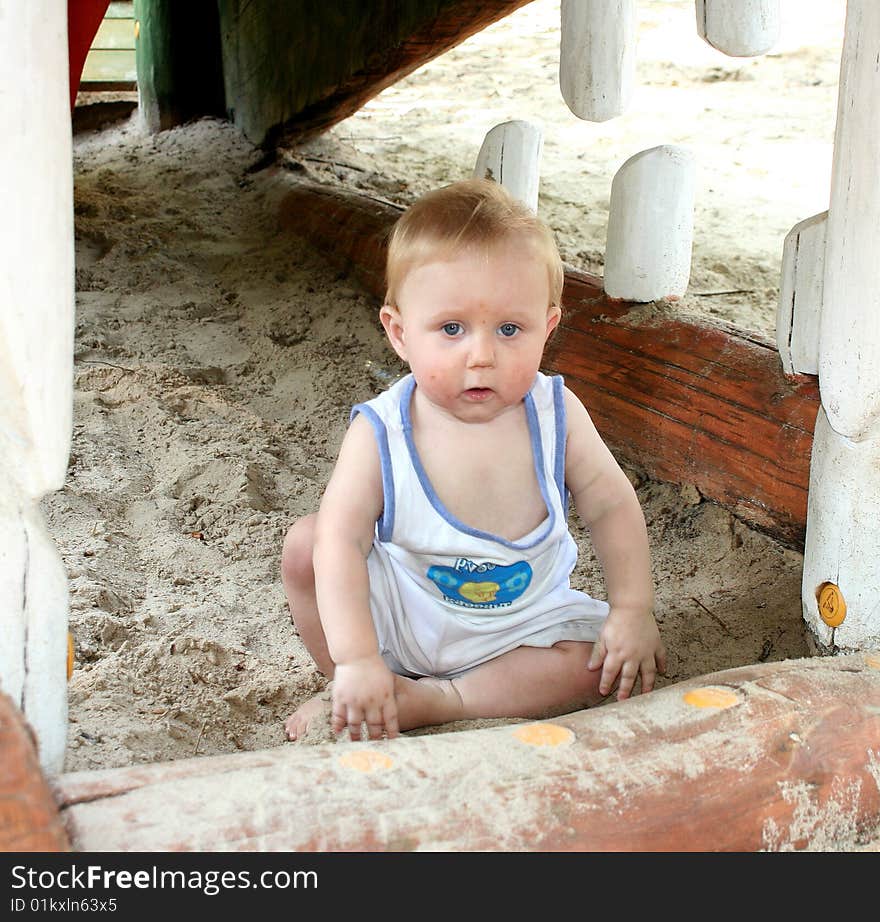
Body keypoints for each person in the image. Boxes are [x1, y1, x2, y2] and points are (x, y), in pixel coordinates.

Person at [282, 178, 665, 743]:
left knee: (601, 663)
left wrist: (633, 608)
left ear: (548, 327)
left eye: (510, 329)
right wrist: (358, 656)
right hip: (404, 615)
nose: (481, 356)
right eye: (452, 329)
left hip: (522, 625)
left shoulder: (554, 412)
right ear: (399, 332)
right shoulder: (382, 430)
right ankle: (357, 684)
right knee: (307, 545)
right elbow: (342, 539)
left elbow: (610, 503)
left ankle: (439, 700)